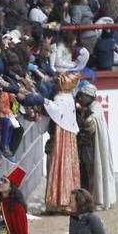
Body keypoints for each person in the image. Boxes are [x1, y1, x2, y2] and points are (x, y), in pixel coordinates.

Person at [44, 74, 81, 214]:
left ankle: (57, 200)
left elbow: (55, 111)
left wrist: (45, 102)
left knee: (59, 162)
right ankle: (67, 200)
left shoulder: (59, 98)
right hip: (69, 134)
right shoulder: (70, 98)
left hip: (60, 134)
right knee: (68, 163)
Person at [75, 83, 116, 210]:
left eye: (82, 96)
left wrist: (84, 113)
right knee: (84, 174)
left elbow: (90, 126)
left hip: (91, 148)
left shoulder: (95, 108)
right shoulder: (87, 107)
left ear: (89, 96)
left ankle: (91, 200)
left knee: (92, 174)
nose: (80, 99)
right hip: (84, 146)